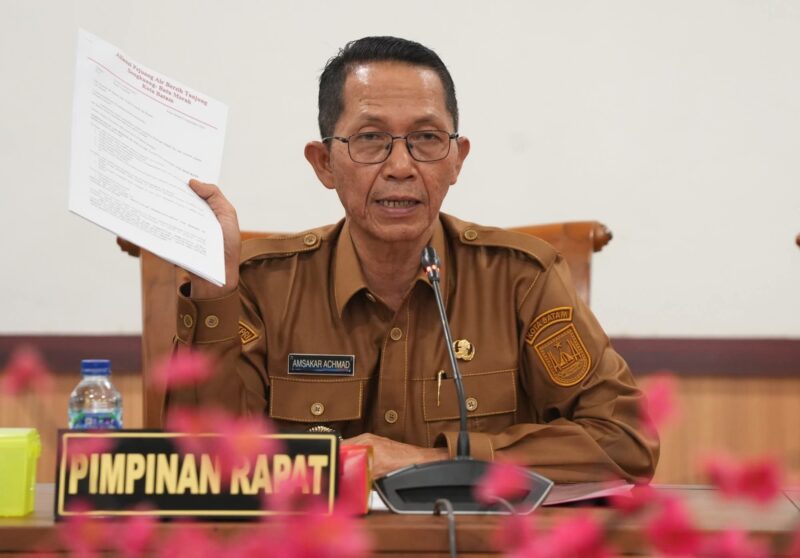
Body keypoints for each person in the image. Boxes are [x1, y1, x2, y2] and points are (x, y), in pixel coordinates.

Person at [169, 36, 659, 483]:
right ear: (324, 165)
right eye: (370, 139)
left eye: (426, 138)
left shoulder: (520, 279)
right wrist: (215, 292)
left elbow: (626, 442)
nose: (401, 167)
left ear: (457, 159)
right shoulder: (261, 285)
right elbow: (201, 463)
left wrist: (440, 463)